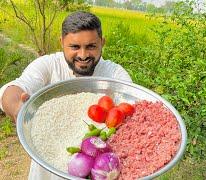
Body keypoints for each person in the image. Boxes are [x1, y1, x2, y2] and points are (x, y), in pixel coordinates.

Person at [0, 11, 131, 180]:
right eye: (74, 47)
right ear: (61, 42)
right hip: (47, 172)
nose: (83, 55)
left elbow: (130, 108)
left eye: (91, 46)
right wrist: (19, 108)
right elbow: (13, 90)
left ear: (102, 43)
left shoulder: (114, 74)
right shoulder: (48, 66)